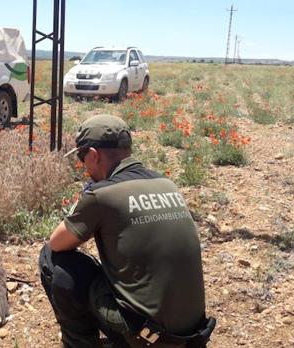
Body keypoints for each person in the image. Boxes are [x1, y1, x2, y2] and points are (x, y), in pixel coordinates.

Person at [39, 114, 215, 347]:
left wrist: (86, 199)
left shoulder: (102, 195)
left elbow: (57, 243)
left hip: (149, 338)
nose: (84, 166)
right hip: (193, 336)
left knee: (53, 261)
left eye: (83, 158)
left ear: (93, 154)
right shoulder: (166, 185)